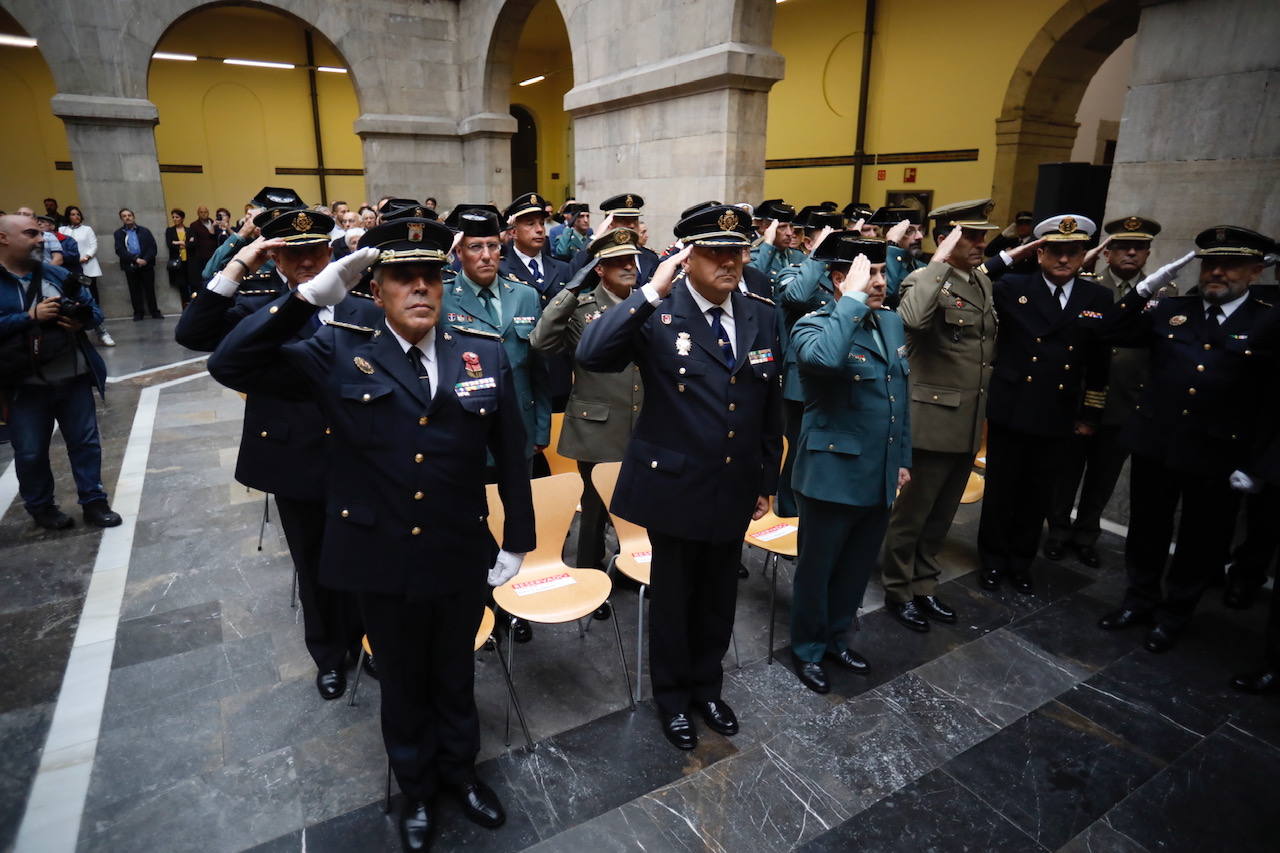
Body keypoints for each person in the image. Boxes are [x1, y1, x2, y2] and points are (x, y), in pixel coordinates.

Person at [208, 215, 528, 851]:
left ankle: (460, 773)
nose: (419, 289)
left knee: (455, 673)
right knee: (404, 681)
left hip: (457, 549)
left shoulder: (481, 349)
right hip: (377, 553)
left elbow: (511, 453)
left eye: (430, 276)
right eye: (402, 277)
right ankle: (415, 787)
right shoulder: (336, 351)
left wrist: (516, 538)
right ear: (375, 288)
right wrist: (309, 298)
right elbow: (228, 362)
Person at [577, 204, 782, 751]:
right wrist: (648, 292)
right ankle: (672, 698)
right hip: (676, 486)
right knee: (674, 599)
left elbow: (767, 402)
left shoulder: (760, 312)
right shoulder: (660, 314)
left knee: (719, 597)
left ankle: (706, 688)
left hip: (735, 482)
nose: (730, 263)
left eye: (737, 251)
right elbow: (592, 355)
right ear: (688, 257)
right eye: (715, 252)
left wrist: (767, 478)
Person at [177, 206, 378, 699]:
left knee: (366, 558)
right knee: (313, 563)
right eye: (293, 255)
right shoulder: (256, 310)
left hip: (361, 456)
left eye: (313, 252)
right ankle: (329, 655)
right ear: (278, 262)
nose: (306, 263)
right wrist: (241, 260)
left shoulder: (364, 310)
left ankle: (369, 643)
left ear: (329, 252)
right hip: (298, 457)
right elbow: (193, 334)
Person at [1097, 226, 1277, 653]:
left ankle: (1174, 614)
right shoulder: (1172, 309)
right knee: (1147, 530)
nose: (1216, 272)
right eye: (1209, 263)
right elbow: (1109, 331)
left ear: (1255, 270)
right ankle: (1139, 600)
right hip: (1157, 442)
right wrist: (1146, 287)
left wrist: (1256, 464)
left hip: (1218, 452)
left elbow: (1273, 401)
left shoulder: (1269, 319)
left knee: (1201, 540)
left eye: (1229, 266)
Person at [787, 234, 911, 693]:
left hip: (879, 471)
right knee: (817, 571)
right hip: (831, 475)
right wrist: (851, 301)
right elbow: (824, 360)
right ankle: (807, 650)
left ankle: (838, 637)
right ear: (840, 280)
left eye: (882, 273)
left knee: (856, 567)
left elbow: (900, 397)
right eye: (870, 275)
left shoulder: (892, 324)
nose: (881, 282)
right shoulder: (814, 325)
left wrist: (903, 458)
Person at [879, 200, 1002, 631]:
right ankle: (897, 588)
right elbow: (909, 319)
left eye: (983, 235)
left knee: (942, 514)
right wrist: (936, 263)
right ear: (945, 237)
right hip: (931, 420)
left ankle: (924, 583)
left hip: (968, 420)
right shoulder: (924, 278)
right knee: (912, 514)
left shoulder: (981, 283)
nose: (980, 243)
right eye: (969, 235)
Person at [977, 214, 1111, 594]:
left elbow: (1100, 364)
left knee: (1039, 494)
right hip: (1012, 406)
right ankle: (992, 559)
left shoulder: (1096, 297)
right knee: (1002, 490)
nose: (1064, 259)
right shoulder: (1012, 287)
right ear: (1040, 253)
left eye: (1073, 252)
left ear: (1084, 255)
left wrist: (1090, 413)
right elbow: (975, 280)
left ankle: (1021, 561)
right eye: (1055, 251)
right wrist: (1009, 255)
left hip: (1058, 410)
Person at [443, 208, 549, 643]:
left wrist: (541, 428)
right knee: (470, 521)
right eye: (475, 247)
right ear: (459, 252)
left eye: (492, 246)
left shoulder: (525, 296)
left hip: (517, 430)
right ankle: (481, 603)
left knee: (512, 516)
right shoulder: (444, 296)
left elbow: (539, 369)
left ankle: (509, 601)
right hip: (465, 434)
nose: (486, 255)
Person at [530, 227, 645, 619]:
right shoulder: (582, 309)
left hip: (643, 422)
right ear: (600, 269)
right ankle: (592, 576)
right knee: (594, 512)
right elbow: (541, 341)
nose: (629, 267)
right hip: (598, 425)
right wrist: (567, 292)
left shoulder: (647, 303)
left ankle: (630, 565)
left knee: (637, 504)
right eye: (617, 262)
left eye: (631, 260)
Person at [1044, 216, 1165, 567]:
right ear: (1107, 252)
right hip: (1078, 397)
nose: (1131, 253)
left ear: (1147, 253)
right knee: (1066, 472)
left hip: (1126, 402)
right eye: (1124, 246)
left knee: (1103, 475)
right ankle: (1057, 530)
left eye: (1139, 247)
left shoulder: (1163, 294)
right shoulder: (1088, 288)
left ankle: (1086, 534)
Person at [0, 213, 122, 530]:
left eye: (40, 233)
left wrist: (81, 320)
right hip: (23, 385)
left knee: (86, 444)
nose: (41, 239)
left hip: (73, 376)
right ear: (4, 238)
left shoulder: (56, 274)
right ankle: (41, 507)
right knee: (29, 453)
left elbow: (94, 312)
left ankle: (94, 503)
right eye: (30, 233)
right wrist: (30, 316)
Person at [773, 220, 840, 518]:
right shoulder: (793, 272)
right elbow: (798, 297)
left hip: (838, 372)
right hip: (800, 380)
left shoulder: (844, 277)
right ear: (809, 245)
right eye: (827, 242)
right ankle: (790, 512)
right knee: (798, 451)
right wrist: (820, 254)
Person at [565, 194, 660, 285]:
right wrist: (596, 238)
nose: (631, 225)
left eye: (634, 219)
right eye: (624, 220)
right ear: (609, 224)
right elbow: (573, 277)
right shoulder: (599, 257)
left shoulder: (650, 257)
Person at [60, 206, 113, 346]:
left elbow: (93, 244)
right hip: (70, 270)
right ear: (67, 216)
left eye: (78, 214)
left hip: (87, 266)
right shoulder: (62, 230)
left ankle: (100, 329)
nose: (76, 216)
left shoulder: (87, 229)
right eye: (72, 214)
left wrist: (86, 257)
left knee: (91, 297)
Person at [874, 206, 928, 307]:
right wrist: (892, 244)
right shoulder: (874, 267)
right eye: (909, 231)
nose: (919, 236)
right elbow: (888, 293)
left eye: (920, 230)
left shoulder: (923, 267)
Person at [113, 208, 160, 320]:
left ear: (133, 217)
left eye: (129, 215)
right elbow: (120, 250)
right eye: (124, 216)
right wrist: (135, 259)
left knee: (150, 290)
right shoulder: (119, 233)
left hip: (146, 264)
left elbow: (152, 248)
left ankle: (154, 312)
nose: (127, 217)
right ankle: (138, 313)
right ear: (121, 219)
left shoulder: (145, 231)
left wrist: (145, 260)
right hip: (130, 265)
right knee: (134, 290)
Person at [749, 199, 802, 277]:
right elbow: (757, 281)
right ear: (768, 229)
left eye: (791, 227)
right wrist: (768, 242)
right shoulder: (754, 257)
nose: (790, 233)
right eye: (782, 227)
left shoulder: (799, 256)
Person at [186, 205, 220, 290]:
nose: (204, 214)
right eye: (201, 212)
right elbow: (192, 241)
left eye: (205, 212)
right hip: (201, 258)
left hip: (214, 255)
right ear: (198, 214)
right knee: (204, 279)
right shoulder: (194, 225)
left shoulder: (214, 223)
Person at [164, 208, 191, 308]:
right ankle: (185, 305)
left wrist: (177, 242)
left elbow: (192, 244)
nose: (175, 219)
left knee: (191, 282)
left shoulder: (188, 230)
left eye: (177, 217)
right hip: (177, 261)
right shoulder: (170, 230)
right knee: (182, 285)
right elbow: (170, 244)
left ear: (182, 218)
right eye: (173, 217)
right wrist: (181, 243)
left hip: (189, 260)